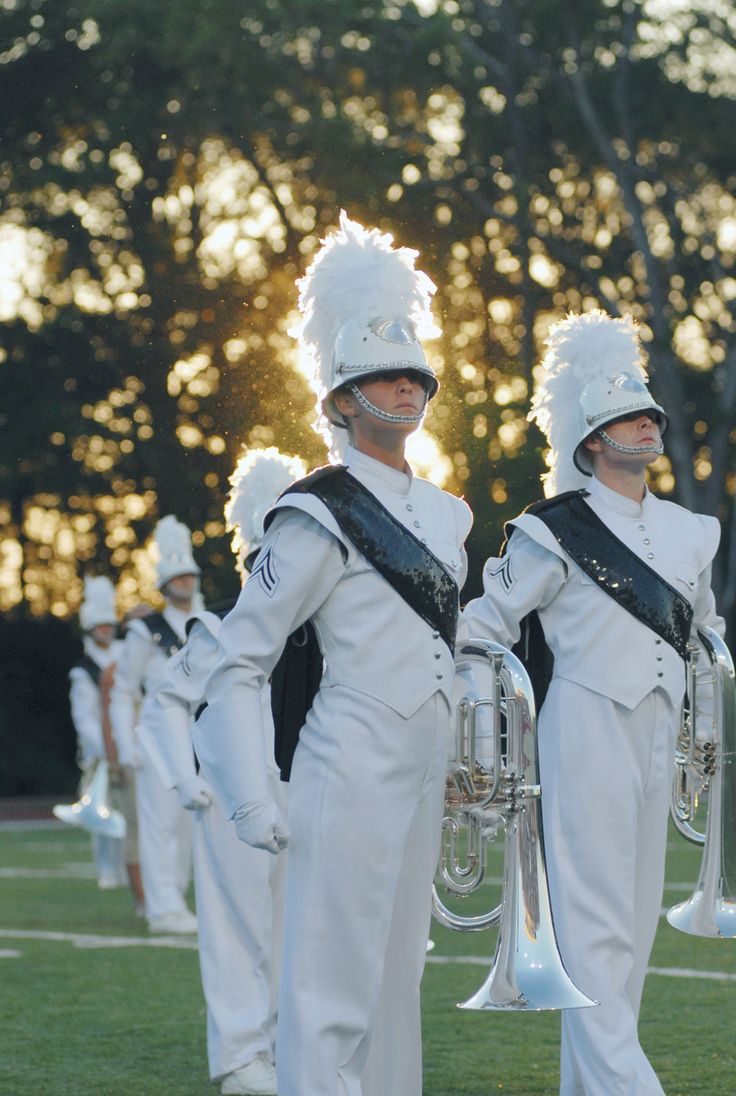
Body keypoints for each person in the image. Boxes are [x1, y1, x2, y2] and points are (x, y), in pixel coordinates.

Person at [194, 212, 473, 1096]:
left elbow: (446, 656)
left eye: (413, 376)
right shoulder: (314, 512)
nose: (403, 389)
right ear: (340, 401)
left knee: (397, 993)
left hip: (423, 770)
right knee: (328, 997)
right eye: (380, 379)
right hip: (345, 764)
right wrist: (247, 793)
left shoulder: (451, 519)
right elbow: (237, 661)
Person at [462, 310, 725, 1095]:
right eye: (624, 418)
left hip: (658, 735)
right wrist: (483, 741)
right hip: (583, 728)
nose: (644, 426)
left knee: (634, 930)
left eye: (648, 414)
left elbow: (706, 641)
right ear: (591, 441)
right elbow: (480, 625)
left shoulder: (687, 532)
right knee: (593, 927)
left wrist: (707, 734)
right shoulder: (551, 532)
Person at [138, 447, 306, 1096]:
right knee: (239, 928)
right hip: (232, 796)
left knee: (291, 925)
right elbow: (164, 707)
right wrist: (186, 780)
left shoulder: (315, 639)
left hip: (295, 789)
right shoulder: (217, 631)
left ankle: (282, 1044)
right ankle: (239, 1057)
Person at [110, 516, 201, 934]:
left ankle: (177, 900)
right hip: (158, 736)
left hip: (199, 733)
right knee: (160, 823)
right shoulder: (146, 631)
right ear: (165, 584)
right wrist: (126, 747)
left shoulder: (209, 622)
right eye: (178, 576)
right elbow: (124, 690)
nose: (186, 582)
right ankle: (162, 907)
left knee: (187, 826)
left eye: (189, 575)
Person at [67, 576, 126, 890]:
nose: (106, 630)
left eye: (109, 624)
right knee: (101, 811)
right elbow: (84, 717)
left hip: (128, 745)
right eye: (99, 626)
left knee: (130, 811)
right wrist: (104, 748)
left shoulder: (126, 654)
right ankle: (107, 869)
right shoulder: (83, 670)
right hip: (100, 752)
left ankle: (128, 867)